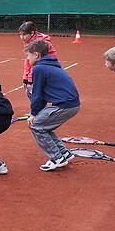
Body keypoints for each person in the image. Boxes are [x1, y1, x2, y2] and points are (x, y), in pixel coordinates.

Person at [25, 40, 80, 171]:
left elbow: (37, 94)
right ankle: (64, 153)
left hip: (65, 105)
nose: (27, 58)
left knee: (37, 126)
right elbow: (43, 95)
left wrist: (33, 114)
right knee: (44, 125)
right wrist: (36, 112)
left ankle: (57, 158)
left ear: (36, 55)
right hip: (71, 104)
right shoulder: (51, 65)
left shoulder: (39, 68)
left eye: (29, 55)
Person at [18, 21, 58, 100]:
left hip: (48, 66)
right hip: (40, 66)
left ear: (32, 33)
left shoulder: (39, 43)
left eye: (24, 34)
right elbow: (28, 60)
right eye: (20, 34)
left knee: (33, 90)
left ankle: (40, 110)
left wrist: (30, 79)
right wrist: (25, 77)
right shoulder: (28, 41)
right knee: (32, 90)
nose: (22, 37)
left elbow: (36, 63)